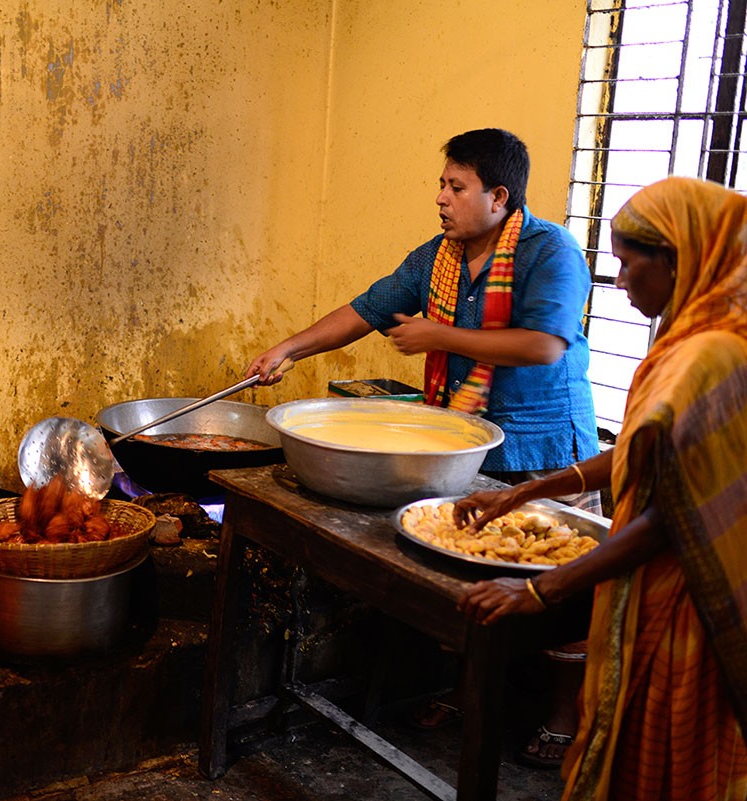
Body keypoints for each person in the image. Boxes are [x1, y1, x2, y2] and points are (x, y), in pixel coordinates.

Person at [247, 128, 600, 760]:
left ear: (498, 196)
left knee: (560, 595)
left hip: (546, 452)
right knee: (466, 578)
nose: (441, 198)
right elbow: (369, 308)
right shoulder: (439, 256)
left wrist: (442, 337)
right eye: (442, 183)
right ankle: (469, 693)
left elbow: (545, 344)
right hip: (470, 449)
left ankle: (562, 714)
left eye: (455, 186)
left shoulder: (552, 252)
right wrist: (288, 348)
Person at [457, 176, 747, 799]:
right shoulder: (694, 338)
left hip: (688, 604)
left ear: (676, 257)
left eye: (627, 262)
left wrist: (542, 588)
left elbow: (673, 514)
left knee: (665, 762)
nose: (620, 282)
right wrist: (521, 494)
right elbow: (644, 458)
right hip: (668, 588)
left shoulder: (714, 357)